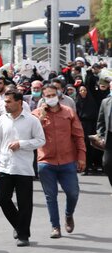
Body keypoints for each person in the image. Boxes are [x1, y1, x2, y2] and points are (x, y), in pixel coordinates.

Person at [0, 89, 46, 247]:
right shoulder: (2, 120)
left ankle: (23, 235)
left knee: (25, 203)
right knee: (2, 197)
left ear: (19, 102)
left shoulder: (32, 120)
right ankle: (19, 225)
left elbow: (41, 140)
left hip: (24, 168)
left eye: (8, 101)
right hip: (6, 166)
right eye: (5, 101)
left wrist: (22, 144)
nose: (5, 104)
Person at [32, 84, 85, 239]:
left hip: (67, 161)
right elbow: (31, 136)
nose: (50, 98)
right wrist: (40, 119)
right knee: (51, 196)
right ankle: (55, 226)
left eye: (53, 95)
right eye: (47, 96)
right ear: (42, 97)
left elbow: (78, 136)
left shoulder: (69, 112)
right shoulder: (35, 114)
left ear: (58, 94)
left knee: (73, 192)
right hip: (46, 161)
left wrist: (81, 156)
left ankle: (69, 214)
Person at [75, 85, 100, 175]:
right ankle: (81, 166)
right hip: (80, 125)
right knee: (81, 146)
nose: (83, 92)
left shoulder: (92, 102)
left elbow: (95, 115)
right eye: (81, 90)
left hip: (90, 126)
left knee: (89, 147)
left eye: (84, 90)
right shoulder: (77, 102)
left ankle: (89, 165)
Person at [96, 87, 112, 188]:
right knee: (107, 164)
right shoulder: (105, 102)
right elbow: (100, 121)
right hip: (110, 137)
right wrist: (100, 135)